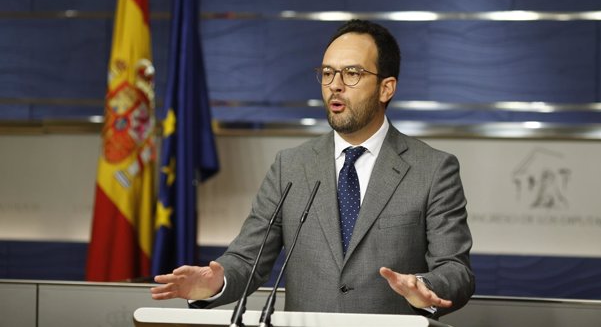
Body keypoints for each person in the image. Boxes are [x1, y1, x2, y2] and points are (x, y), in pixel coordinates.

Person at [151, 19, 475, 317]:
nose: (335, 85)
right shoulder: (290, 167)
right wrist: (215, 281)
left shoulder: (432, 170)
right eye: (328, 73)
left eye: (352, 73)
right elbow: (247, 259)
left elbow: (455, 270)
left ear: (386, 88)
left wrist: (426, 288)